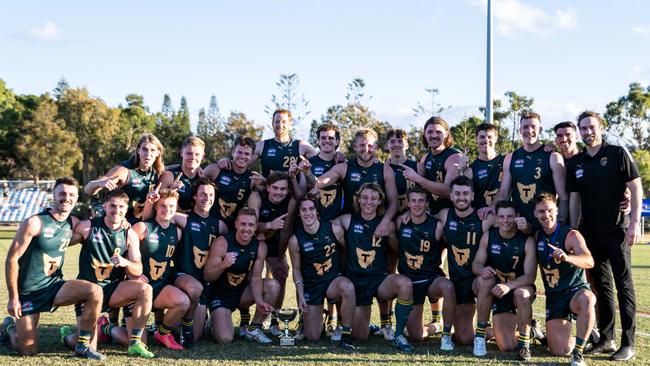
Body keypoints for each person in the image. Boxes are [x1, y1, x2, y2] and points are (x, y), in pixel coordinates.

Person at [304, 128, 400, 339]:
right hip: (351, 230)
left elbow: (393, 202)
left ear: (376, 147)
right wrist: (307, 172)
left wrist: (385, 222)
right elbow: (319, 183)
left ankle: (386, 323)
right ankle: (339, 321)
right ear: (354, 147)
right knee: (344, 272)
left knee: (387, 271)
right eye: (361, 145)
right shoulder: (344, 167)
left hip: (377, 228)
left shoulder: (385, 170)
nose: (365, 149)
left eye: (370, 145)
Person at [1, 177, 105, 359]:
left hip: (54, 287)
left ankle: (83, 344)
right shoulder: (34, 222)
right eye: (62, 193)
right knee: (27, 350)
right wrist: (13, 298)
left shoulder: (72, 222)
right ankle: (9, 328)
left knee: (94, 291)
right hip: (29, 292)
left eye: (72, 194)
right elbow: (11, 259)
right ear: (54, 195)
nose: (67, 198)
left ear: (76, 198)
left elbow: (93, 230)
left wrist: (124, 224)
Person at [568, 111, 642, 361]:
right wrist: (574, 229)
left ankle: (628, 343)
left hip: (616, 231)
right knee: (602, 286)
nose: (587, 132)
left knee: (624, 286)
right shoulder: (577, 162)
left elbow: (635, 186)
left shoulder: (617, 154)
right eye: (583, 128)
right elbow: (575, 199)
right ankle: (607, 339)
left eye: (591, 127)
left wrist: (633, 223)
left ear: (600, 128)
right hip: (590, 233)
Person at [64, 189, 155, 358]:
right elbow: (61, 242)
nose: (117, 210)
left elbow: (138, 268)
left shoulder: (129, 234)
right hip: (89, 292)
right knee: (89, 346)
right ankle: (67, 337)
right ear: (105, 205)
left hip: (113, 290)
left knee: (146, 289)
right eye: (113, 205)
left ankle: (135, 343)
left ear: (127, 208)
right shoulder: (88, 227)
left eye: (121, 207)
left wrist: (125, 262)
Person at [332, 183, 414, 352]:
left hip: (378, 280)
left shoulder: (387, 224)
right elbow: (328, 227)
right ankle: (368, 325)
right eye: (365, 197)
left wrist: (390, 235)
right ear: (358, 200)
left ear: (379, 202)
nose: (369, 202)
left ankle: (398, 335)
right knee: (360, 336)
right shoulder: (347, 220)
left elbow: (398, 249)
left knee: (404, 283)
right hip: (355, 282)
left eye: (373, 198)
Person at [535, 192, 596, 366]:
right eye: (541, 211)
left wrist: (568, 258)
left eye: (549, 210)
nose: (546, 215)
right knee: (558, 351)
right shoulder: (536, 236)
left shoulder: (570, 235)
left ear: (557, 209)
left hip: (574, 292)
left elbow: (589, 260)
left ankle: (579, 352)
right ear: (535, 213)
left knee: (588, 299)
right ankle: (586, 335)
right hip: (554, 296)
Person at [287, 193, 355, 349]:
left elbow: (345, 252)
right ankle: (318, 319)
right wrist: (301, 294)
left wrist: (343, 274)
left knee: (347, 286)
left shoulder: (334, 229)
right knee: (313, 336)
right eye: (304, 210)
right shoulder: (295, 240)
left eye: (311, 209)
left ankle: (345, 334)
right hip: (312, 285)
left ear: (317, 211)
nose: (308, 213)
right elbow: (296, 270)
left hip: (332, 281)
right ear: (299, 213)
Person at [203, 208, 280, 344]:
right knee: (225, 338)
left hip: (241, 293)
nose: (247, 228)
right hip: (220, 295)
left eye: (251, 225)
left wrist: (260, 301)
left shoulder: (260, 246)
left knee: (273, 286)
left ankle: (254, 328)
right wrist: (223, 265)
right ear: (236, 224)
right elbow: (208, 276)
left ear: (256, 227)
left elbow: (256, 278)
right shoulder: (222, 242)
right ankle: (213, 322)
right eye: (243, 224)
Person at [472, 200, 536, 360]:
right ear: (497, 218)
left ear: (517, 217)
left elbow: (530, 276)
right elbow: (476, 264)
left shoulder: (527, 240)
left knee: (522, 293)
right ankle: (479, 337)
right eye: (501, 217)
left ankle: (525, 345)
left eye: (509, 216)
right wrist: (482, 269)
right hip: (495, 292)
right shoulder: (489, 235)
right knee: (505, 346)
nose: (505, 220)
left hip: (516, 289)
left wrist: (509, 286)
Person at [166, 178, 227, 345]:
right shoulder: (182, 219)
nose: (207, 198)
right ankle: (164, 325)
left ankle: (203, 321)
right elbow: (160, 215)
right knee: (194, 290)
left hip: (208, 283)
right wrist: (171, 192)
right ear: (194, 196)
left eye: (210, 195)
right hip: (185, 277)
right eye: (202, 194)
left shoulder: (220, 225)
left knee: (197, 335)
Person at [396, 186, 456, 350]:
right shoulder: (400, 222)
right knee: (416, 336)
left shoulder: (437, 225)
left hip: (430, 279)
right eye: (413, 200)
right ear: (408, 203)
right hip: (409, 283)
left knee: (448, 286)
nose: (417, 204)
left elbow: (450, 244)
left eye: (421, 201)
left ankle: (446, 335)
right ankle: (436, 326)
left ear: (427, 203)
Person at [438, 176, 495, 346]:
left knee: (486, 282)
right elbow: (423, 222)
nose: (461, 197)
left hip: (478, 279)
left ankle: (481, 335)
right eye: (457, 193)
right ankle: (491, 331)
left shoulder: (484, 218)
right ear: (451, 196)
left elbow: (509, 222)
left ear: (472, 196)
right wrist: (406, 217)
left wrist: (492, 208)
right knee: (463, 338)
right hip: (458, 281)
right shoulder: (444, 215)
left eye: (465, 193)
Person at [130, 189, 189, 350]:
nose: (167, 210)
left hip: (160, 287)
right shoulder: (142, 227)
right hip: (139, 289)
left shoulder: (177, 232)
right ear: (156, 206)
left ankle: (162, 332)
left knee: (183, 302)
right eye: (163, 205)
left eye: (171, 206)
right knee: (138, 343)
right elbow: (123, 253)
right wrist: (133, 276)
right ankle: (105, 327)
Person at [495, 111, 568, 232]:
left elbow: (564, 197)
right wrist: (491, 208)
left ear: (540, 129)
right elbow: (504, 193)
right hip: (520, 226)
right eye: (525, 127)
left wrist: (559, 226)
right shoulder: (510, 158)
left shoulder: (553, 156)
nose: (529, 130)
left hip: (545, 227)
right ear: (520, 130)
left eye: (533, 126)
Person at [247, 172, 296, 336]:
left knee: (281, 272)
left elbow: (285, 231)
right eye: (275, 188)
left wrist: (280, 257)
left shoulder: (290, 200)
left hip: (276, 241)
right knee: (247, 273)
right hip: (253, 238)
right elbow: (251, 224)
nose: (278, 192)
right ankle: (245, 318)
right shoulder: (257, 196)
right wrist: (269, 225)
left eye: (283, 189)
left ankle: (275, 320)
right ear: (267, 187)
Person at [84, 134, 165, 222]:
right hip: (119, 223)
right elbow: (88, 189)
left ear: (158, 152)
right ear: (138, 150)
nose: (148, 154)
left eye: (152, 150)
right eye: (144, 149)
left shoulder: (159, 173)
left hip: (144, 224)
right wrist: (99, 183)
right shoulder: (124, 171)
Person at [204, 136, 262, 230]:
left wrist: (265, 180)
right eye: (239, 152)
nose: (243, 156)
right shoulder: (216, 169)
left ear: (251, 156)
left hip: (230, 230)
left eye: (247, 154)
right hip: (207, 222)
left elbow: (274, 187)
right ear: (233, 152)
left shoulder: (253, 178)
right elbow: (194, 176)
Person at [460, 123, 504, 208]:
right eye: (482, 137)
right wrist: (460, 170)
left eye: (489, 137)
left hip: (504, 216)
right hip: (482, 217)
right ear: (476, 139)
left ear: (496, 139)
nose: (486, 140)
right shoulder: (471, 169)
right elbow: (461, 193)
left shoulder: (505, 161)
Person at [158, 136, 205, 212]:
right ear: (181, 153)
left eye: (197, 154)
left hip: (196, 222)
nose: (193, 157)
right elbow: (156, 205)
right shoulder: (169, 175)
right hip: (172, 221)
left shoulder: (203, 177)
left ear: (203, 156)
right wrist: (169, 192)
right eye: (189, 153)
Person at [385, 129, 419, 214]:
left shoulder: (418, 167)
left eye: (400, 141)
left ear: (407, 145)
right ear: (386, 145)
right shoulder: (382, 169)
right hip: (388, 217)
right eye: (392, 141)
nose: (396, 144)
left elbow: (426, 196)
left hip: (413, 217)